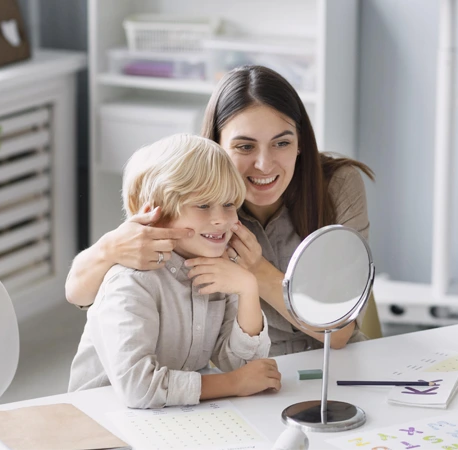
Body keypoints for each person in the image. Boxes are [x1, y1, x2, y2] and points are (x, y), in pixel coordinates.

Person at [65, 65, 379, 356]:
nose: (264, 164)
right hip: (246, 367)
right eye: (245, 147)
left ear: (300, 143)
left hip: (335, 360)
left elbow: (339, 332)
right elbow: (80, 294)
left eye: (281, 143)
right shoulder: (194, 204)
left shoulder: (337, 185)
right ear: (216, 146)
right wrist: (108, 250)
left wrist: (256, 271)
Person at [68, 134, 280, 408]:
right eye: (203, 205)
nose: (221, 219)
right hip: (102, 418)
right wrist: (233, 384)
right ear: (156, 213)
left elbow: (244, 366)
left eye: (229, 204)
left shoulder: (222, 270)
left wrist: (248, 289)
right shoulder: (131, 280)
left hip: (170, 415)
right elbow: (138, 387)